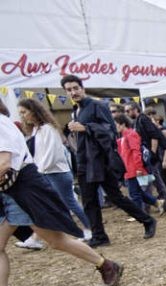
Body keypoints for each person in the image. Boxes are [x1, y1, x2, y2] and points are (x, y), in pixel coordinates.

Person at [0, 99, 123, 286]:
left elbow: (4, 163)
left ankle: (106, 264)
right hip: (14, 191)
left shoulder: (2, 124)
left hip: (23, 187)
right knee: (55, 240)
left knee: (57, 240)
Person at [61, 74, 156, 247]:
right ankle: (99, 236)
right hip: (84, 162)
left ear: (82, 88)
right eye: (69, 90)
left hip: (100, 162)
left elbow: (110, 131)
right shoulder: (76, 110)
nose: (73, 92)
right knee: (89, 201)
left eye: (76, 88)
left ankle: (147, 220)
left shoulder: (97, 105)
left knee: (116, 197)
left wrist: (86, 127)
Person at [14, 98, 92, 249]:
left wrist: (39, 170)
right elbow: (37, 155)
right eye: (20, 113)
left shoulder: (48, 129)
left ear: (34, 111)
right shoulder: (37, 130)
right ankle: (35, 237)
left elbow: (52, 154)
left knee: (69, 202)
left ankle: (90, 228)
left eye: (24, 112)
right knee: (51, 206)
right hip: (46, 172)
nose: (22, 116)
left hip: (56, 173)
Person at [125, 102, 166, 209]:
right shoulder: (138, 121)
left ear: (135, 109)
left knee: (151, 181)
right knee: (154, 181)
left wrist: (152, 153)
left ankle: (151, 206)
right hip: (146, 155)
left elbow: (154, 136)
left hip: (149, 155)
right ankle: (162, 204)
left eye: (128, 110)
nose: (127, 113)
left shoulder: (143, 119)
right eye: (126, 111)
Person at [114, 114, 163, 212]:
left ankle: (139, 212)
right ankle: (157, 202)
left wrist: (139, 168)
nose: (115, 127)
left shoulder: (130, 134)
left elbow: (136, 152)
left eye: (116, 124)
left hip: (133, 169)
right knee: (137, 192)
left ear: (123, 124)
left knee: (134, 193)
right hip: (129, 169)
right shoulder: (124, 136)